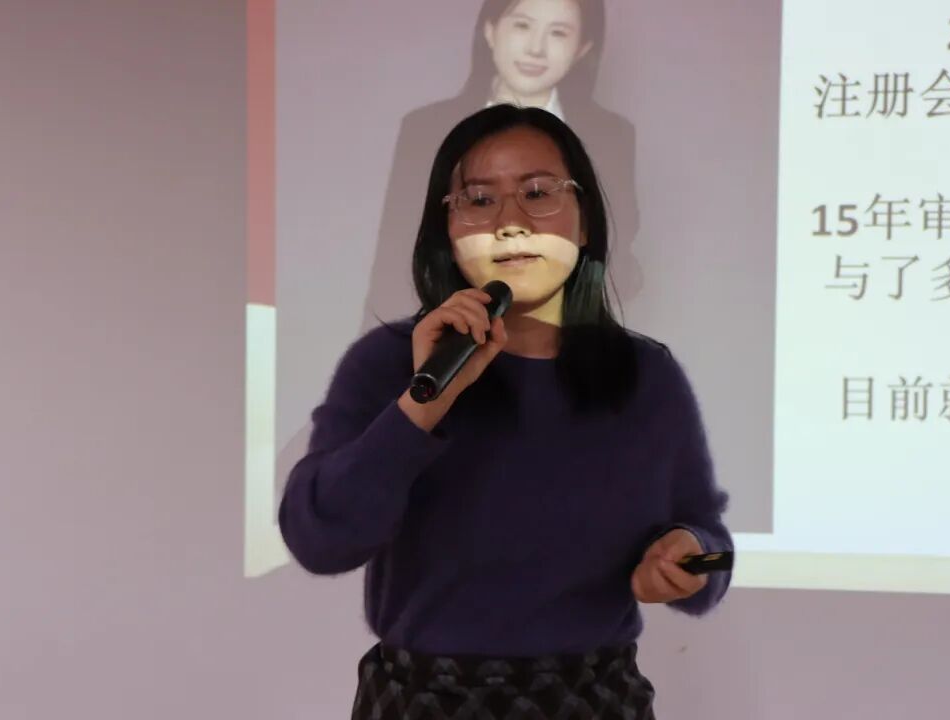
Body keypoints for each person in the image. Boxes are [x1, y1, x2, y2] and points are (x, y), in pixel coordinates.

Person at [279, 105, 731, 719]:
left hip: (593, 700)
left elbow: (714, 545)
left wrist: (692, 559)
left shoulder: (645, 376)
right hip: (423, 701)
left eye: (538, 193)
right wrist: (425, 401)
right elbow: (320, 540)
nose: (510, 224)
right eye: (479, 200)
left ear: (585, 223)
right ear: (447, 230)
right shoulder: (388, 363)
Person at [358, 0, 641, 338]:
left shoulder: (612, 133)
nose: (536, 48)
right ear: (490, 31)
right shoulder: (425, 126)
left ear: (582, 48)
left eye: (558, 33)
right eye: (522, 25)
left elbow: (618, 252)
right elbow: (392, 251)